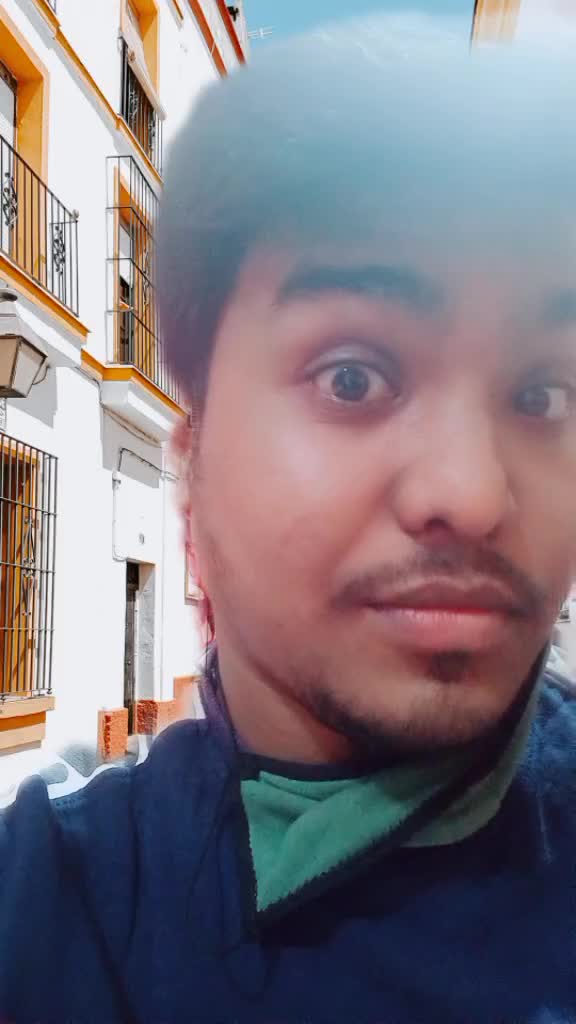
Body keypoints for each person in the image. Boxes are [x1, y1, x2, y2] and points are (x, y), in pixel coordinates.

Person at [2, 18, 576, 1024]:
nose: (476, 492)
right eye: (352, 377)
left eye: (542, 395)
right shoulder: (50, 901)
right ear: (193, 475)